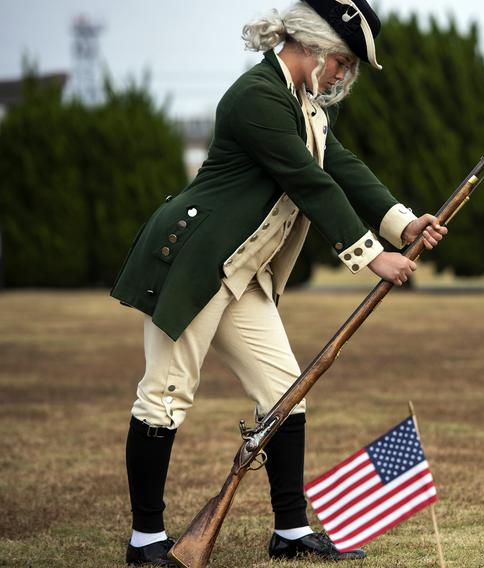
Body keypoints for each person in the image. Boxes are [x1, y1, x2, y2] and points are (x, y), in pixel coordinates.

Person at [111, 1, 447, 564]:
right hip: (194, 264)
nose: (345, 75)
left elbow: (342, 167)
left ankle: (290, 531)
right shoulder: (257, 97)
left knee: (286, 394)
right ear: (313, 47)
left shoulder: (305, 105)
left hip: (241, 270)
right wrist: (373, 257)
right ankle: (146, 539)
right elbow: (310, 183)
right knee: (165, 395)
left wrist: (403, 222)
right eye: (343, 60)